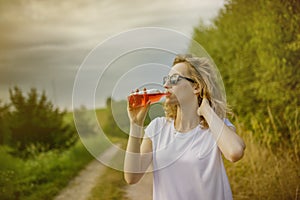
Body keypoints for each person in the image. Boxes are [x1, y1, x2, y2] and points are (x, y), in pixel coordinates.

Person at [124, 54, 246, 200]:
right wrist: (135, 124)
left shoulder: (215, 127)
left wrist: (205, 110)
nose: (166, 85)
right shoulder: (158, 128)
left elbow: (235, 152)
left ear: (196, 86)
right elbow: (131, 177)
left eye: (174, 79)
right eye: (167, 79)